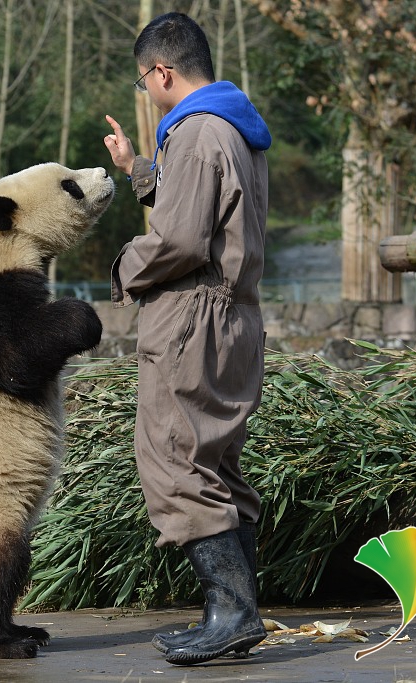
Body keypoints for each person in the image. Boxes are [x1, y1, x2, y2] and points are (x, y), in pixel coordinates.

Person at [102, 12, 271, 666]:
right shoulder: (233, 126)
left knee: (175, 461)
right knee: (216, 464)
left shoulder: (197, 134)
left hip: (195, 322)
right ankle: (234, 611)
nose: (147, 94)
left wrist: (121, 265)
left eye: (145, 83)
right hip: (233, 319)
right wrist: (139, 169)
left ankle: (231, 610)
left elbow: (179, 239)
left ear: (162, 71)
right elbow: (195, 205)